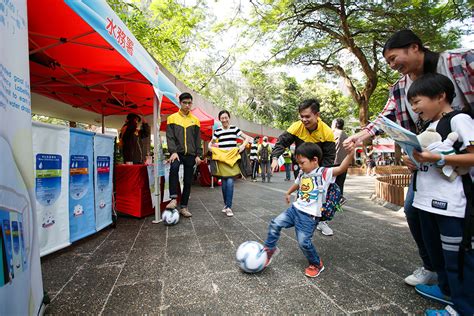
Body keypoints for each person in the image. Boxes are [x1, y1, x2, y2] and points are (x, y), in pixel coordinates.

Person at [343, 30, 473, 287]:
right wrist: (363, 135)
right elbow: (386, 118)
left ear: (415, 47)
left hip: (463, 163)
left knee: (462, 224)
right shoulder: (400, 87)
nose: (392, 66)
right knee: (414, 211)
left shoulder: (458, 62)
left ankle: (460, 280)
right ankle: (434, 269)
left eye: (393, 58)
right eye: (388, 62)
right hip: (426, 166)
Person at [407, 73, 473, 315]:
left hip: (452, 205)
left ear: (440, 96)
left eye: (417, 101)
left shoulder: (459, 120)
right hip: (426, 203)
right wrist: (412, 162)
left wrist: (438, 157)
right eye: (411, 103)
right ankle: (446, 290)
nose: (414, 108)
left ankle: (462, 308)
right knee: (437, 254)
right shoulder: (428, 126)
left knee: (457, 259)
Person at [263, 142, 355, 277]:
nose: (299, 166)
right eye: (298, 163)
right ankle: (269, 249)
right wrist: (288, 193)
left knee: (304, 243)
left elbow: (341, 168)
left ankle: (316, 264)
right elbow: (297, 184)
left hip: (309, 216)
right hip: (294, 209)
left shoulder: (323, 172)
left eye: (302, 163)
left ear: (315, 160)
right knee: (275, 224)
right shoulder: (303, 173)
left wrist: (351, 154)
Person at [270, 98, 336, 236]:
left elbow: (329, 157)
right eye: (302, 117)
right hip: (301, 167)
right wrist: (275, 158)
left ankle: (322, 221)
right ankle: (301, 216)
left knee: (320, 195)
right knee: (302, 190)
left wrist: (321, 173)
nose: (304, 120)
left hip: (319, 170)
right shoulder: (296, 127)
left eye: (307, 116)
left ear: (317, 115)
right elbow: (281, 143)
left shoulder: (327, 132)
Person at [165, 92, 202, 218]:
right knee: (173, 168)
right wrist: (173, 151)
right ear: (180, 103)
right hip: (177, 153)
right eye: (184, 102)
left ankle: (184, 206)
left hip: (191, 154)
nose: (187, 105)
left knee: (188, 181)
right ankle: (173, 198)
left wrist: (198, 154)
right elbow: (169, 137)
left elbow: (198, 139)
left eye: (189, 103)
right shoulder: (172, 118)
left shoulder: (196, 121)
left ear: (191, 104)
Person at [210, 110, 252, 217]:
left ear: (229, 118)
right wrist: (211, 148)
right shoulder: (217, 131)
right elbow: (212, 143)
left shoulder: (234, 129)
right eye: (222, 118)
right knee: (224, 183)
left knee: (229, 181)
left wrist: (243, 145)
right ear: (220, 119)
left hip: (233, 159)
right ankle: (226, 204)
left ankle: (229, 206)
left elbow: (247, 137)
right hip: (222, 160)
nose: (224, 120)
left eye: (226, 117)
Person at [332, 118, 349, 204]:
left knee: (331, 182)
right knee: (340, 183)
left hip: (334, 162)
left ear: (335, 124)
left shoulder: (333, 134)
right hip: (344, 163)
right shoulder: (346, 135)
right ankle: (339, 199)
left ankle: (332, 201)